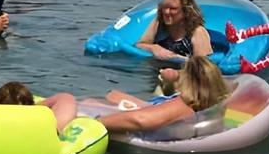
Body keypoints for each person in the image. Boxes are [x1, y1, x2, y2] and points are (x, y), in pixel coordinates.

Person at [93, 56, 230, 135]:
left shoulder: (187, 103)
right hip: (159, 107)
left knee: (93, 101)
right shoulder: (217, 101)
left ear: (188, 80)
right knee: (115, 95)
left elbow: (140, 120)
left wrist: (95, 123)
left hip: (152, 120)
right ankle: (165, 82)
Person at [135, 0, 213, 60]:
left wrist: (174, 58)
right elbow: (140, 45)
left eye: (173, 9)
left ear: (186, 11)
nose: (166, 12)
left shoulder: (198, 32)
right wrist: (154, 48)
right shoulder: (159, 23)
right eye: (165, 7)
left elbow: (202, 67)